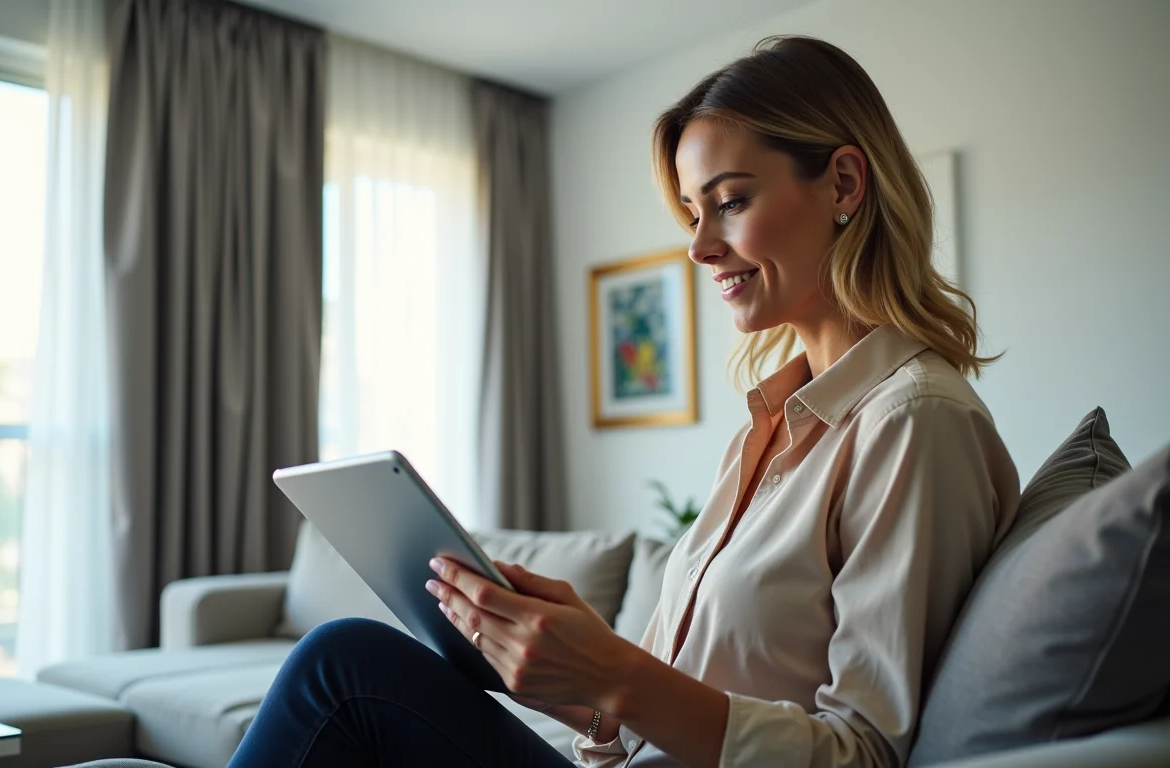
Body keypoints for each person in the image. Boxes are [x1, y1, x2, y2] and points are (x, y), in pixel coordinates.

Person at [227, 35, 1020, 768]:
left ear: (844, 182)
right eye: (692, 212)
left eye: (731, 201)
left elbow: (869, 753)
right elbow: (660, 716)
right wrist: (581, 687)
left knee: (344, 670)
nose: (699, 245)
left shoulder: (914, 422)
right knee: (353, 667)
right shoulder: (773, 427)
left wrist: (618, 673)